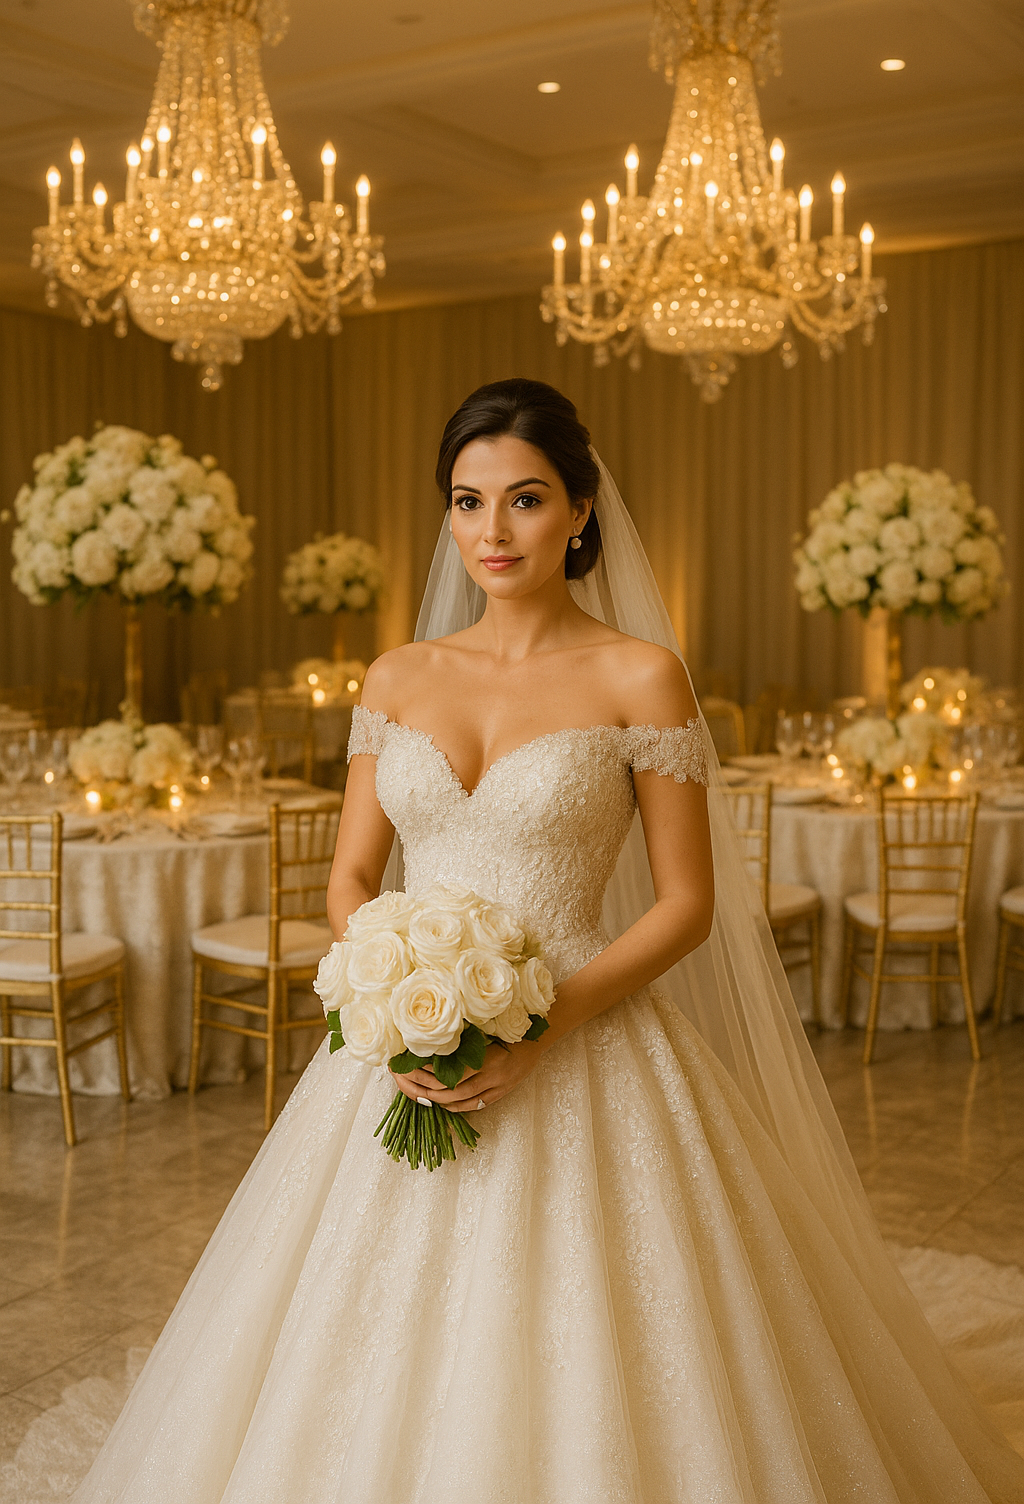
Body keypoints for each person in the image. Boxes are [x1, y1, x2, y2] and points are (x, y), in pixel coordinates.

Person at [68, 379, 1022, 1503]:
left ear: (578, 511)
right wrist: (388, 986)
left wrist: (535, 1024)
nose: (492, 531)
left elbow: (684, 906)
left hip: (587, 1035)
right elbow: (352, 877)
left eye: (523, 500)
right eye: (467, 503)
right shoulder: (399, 676)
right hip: (400, 1056)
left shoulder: (638, 675)